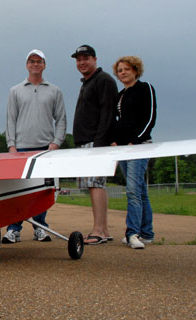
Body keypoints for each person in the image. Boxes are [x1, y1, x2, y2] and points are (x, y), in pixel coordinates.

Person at [2, 49, 66, 243]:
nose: (35, 64)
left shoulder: (54, 91)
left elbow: (61, 119)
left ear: (44, 65)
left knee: (42, 192)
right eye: (32, 61)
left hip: (45, 149)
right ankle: (14, 229)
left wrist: (56, 143)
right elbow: (10, 120)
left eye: (39, 61)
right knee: (18, 191)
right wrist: (11, 146)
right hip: (20, 148)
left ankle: (40, 228)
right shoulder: (15, 90)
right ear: (27, 64)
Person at [71, 44, 118, 245]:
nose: (82, 62)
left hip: (96, 143)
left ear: (95, 59)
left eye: (86, 58)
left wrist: (99, 144)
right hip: (85, 142)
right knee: (93, 186)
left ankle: (98, 230)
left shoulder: (104, 80)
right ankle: (104, 230)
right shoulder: (88, 82)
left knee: (95, 185)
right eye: (78, 59)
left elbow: (108, 114)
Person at [110, 56, 157, 249]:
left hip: (139, 146)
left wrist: (135, 141)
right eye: (120, 70)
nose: (123, 73)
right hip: (122, 149)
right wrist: (113, 140)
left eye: (127, 69)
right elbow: (117, 120)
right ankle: (147, 233)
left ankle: (132, 233)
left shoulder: (145, 88)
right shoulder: (120, 95)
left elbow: (150, 117)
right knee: (140, 191)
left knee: (132, 191)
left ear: (135, 70)